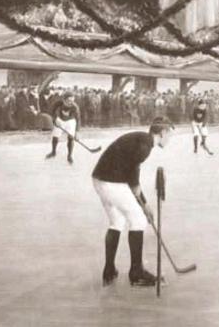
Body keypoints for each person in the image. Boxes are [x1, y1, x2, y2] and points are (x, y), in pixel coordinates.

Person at [91, 117, 173, 287]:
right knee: (139, 220)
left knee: (117, 221)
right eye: (169, 135)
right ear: (163, 132)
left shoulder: (142, 140)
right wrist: (145, 205)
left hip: (99, 179)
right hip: (112, 182)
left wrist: (143, 203)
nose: (169, 139)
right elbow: (133, 182)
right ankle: (136, 273)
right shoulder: (145, 146)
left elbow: (131, 178)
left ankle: (109, 270)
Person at [46, 92, 81, 164]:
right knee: (55, 136)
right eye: (68, 101)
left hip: (70, 121)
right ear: (63, 100)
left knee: (71, 137)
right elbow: (51, 112)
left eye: (72, 101)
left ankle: (69, 156)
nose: (71, 103)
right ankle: (53, 152)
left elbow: (78, 119)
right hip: (60, 119)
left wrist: (77, 132)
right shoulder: (58, 103)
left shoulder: (75, 107)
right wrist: (55, 120)